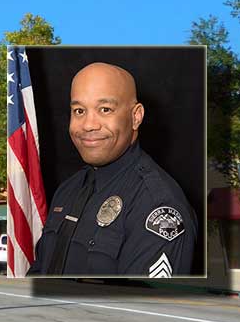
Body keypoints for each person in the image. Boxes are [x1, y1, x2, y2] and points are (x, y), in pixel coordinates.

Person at [27, 62, 197, 277]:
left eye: (105, 110)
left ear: (136, 117)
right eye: (79, 111)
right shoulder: (68, 190)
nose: (88, 125)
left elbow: (138, 306)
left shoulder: (157, 205)